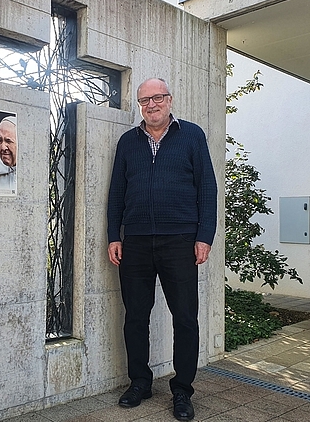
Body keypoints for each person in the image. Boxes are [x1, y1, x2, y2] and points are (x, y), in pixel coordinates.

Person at [107, 78, 217, 421]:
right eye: (144, 100)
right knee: (135, 317)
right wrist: (114, 235)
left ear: (169, 100)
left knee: (185, 318)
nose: (151, 105)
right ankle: (140, 381)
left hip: (180, 241)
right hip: (136, 242)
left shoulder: (192, 135)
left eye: (157, 98)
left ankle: (182, 390)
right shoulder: (128, 142)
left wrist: (205, 236)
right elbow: (116, 193)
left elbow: (208, 189)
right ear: (139, 105)